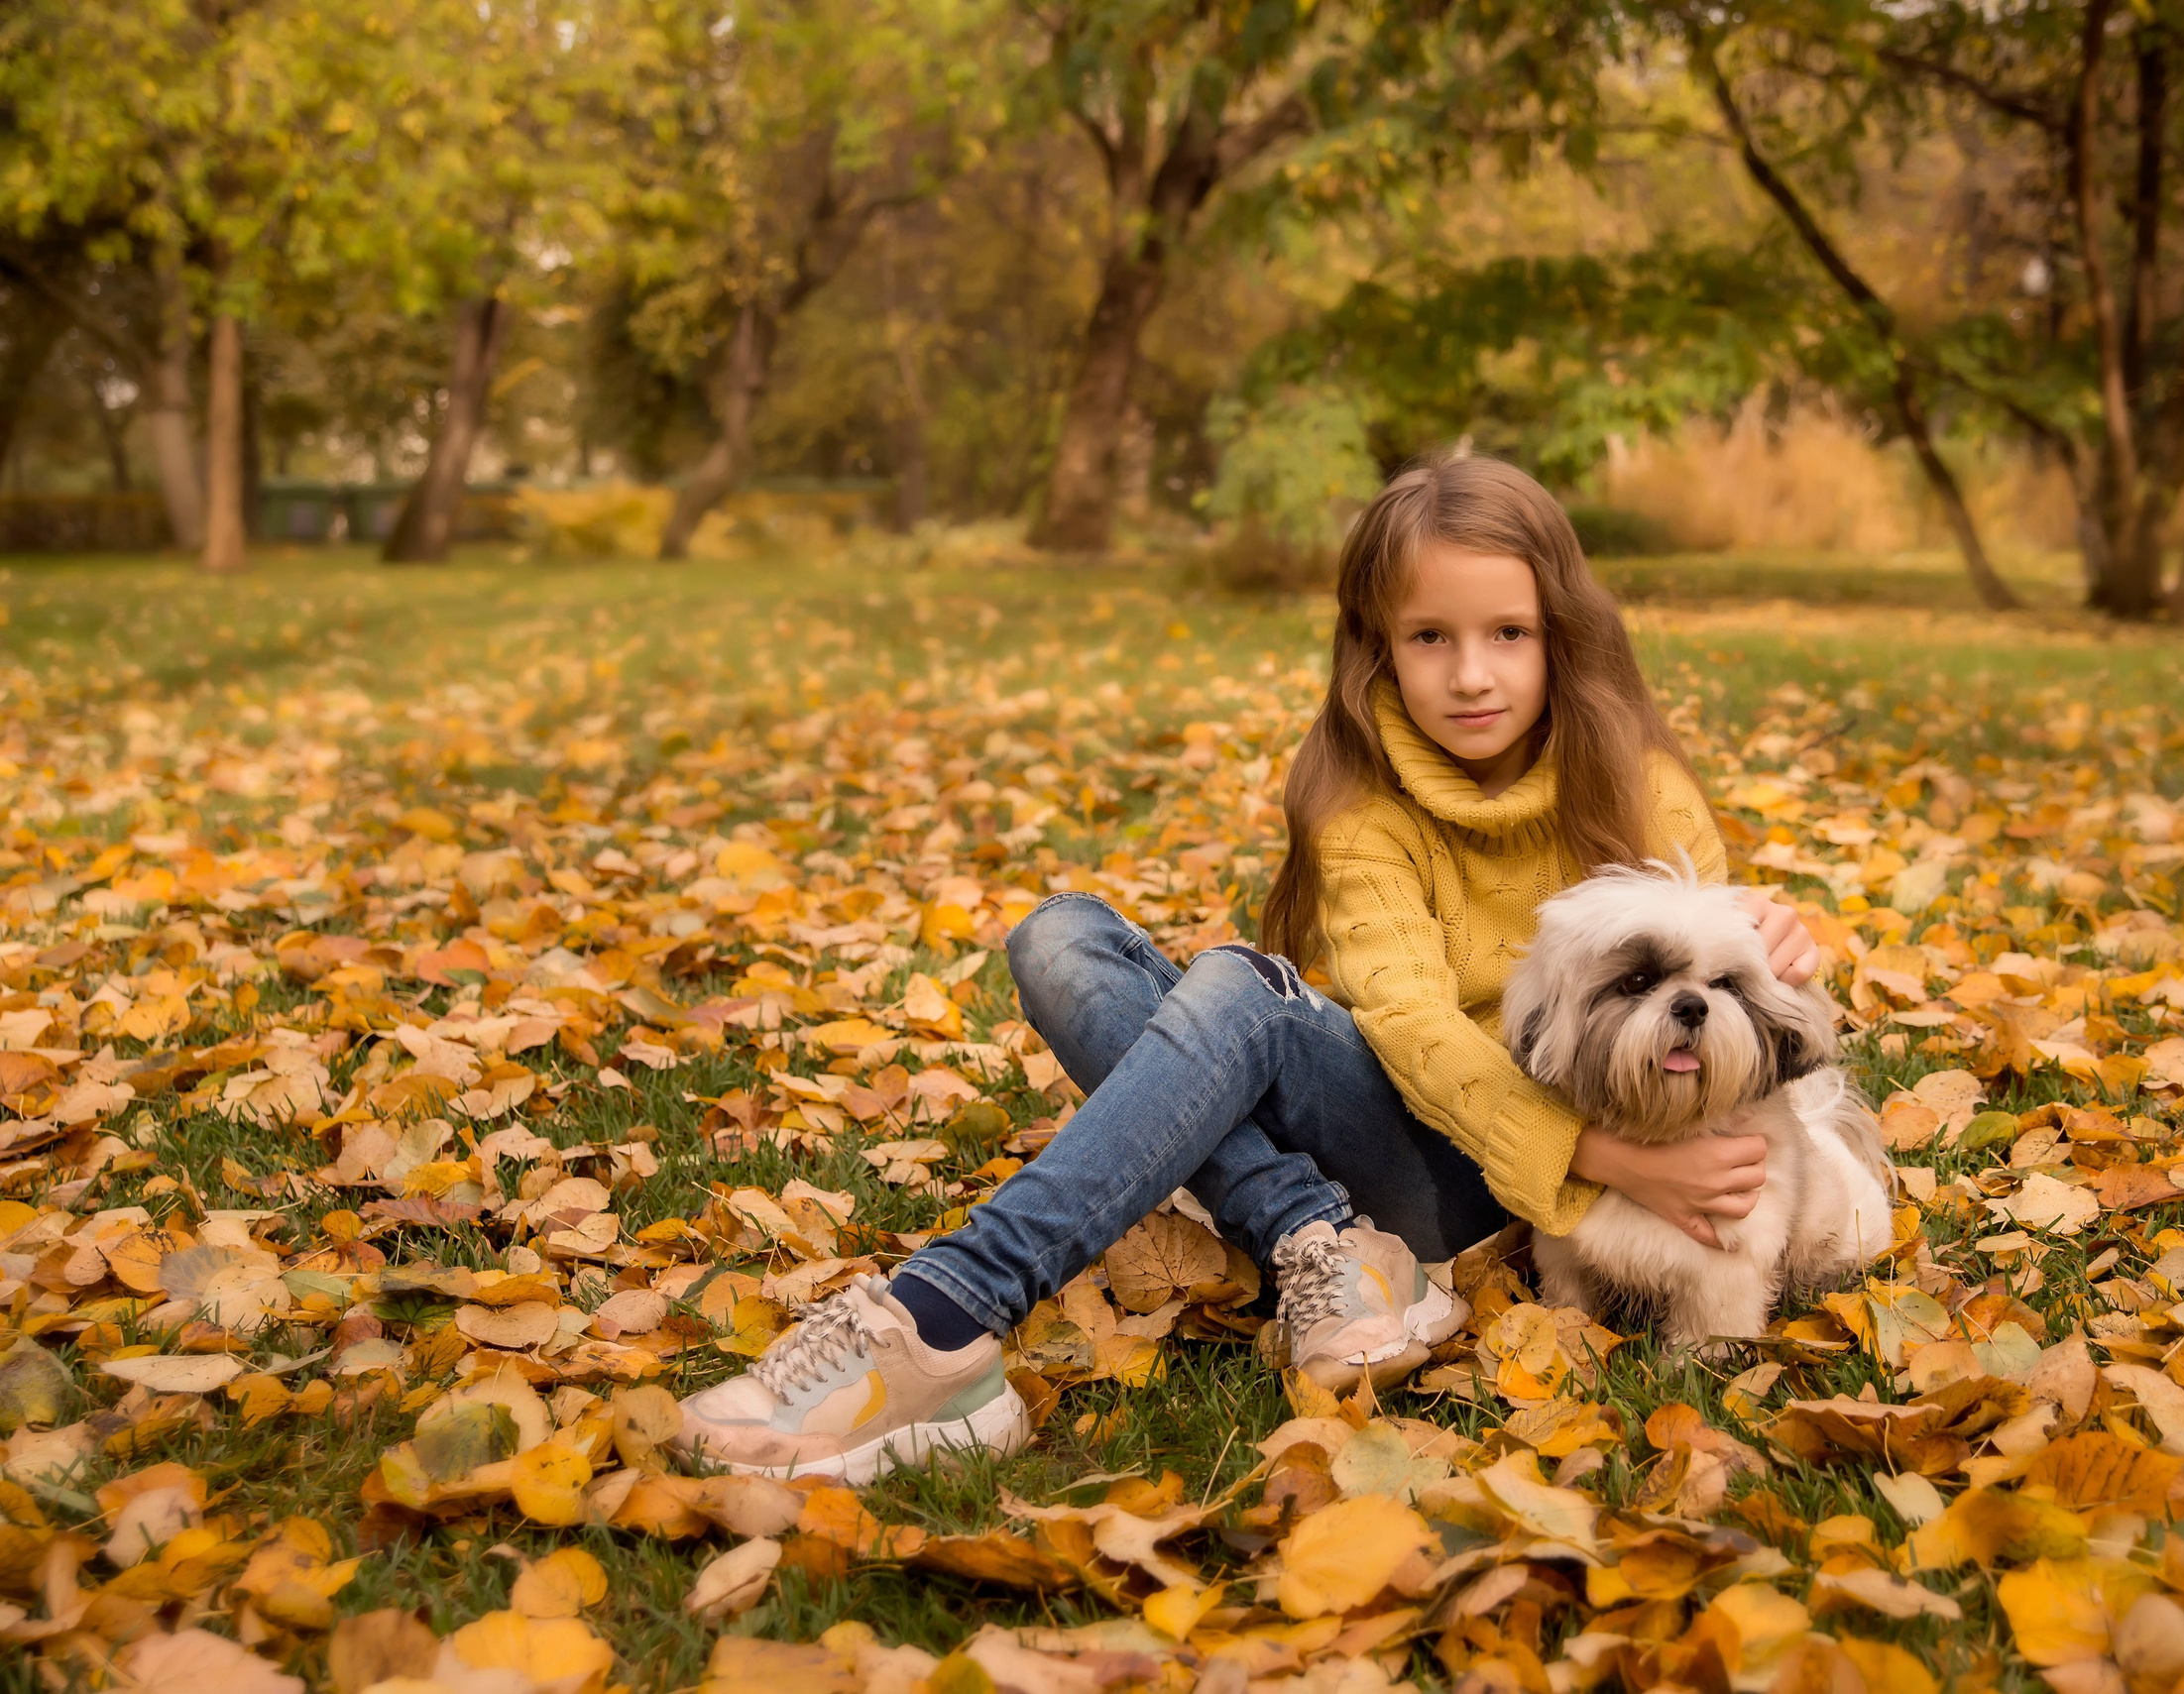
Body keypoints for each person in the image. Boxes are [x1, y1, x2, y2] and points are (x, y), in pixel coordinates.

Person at [678, 453, 1822, 1483]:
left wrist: (1790, 946)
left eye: (1508, 634)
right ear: (1377, 645)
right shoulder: (1362, 805)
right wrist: (1596, 1152)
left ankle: (941, 1314)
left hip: (1499, 1198)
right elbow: (1411, 1025)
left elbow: (1720, 1011)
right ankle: (1320, 1237)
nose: (1471, 674)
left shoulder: (1638, 788)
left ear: (1559, 632)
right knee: (1058, 939)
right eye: (1430, 636)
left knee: (1238, 993)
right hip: (1447, 1129)